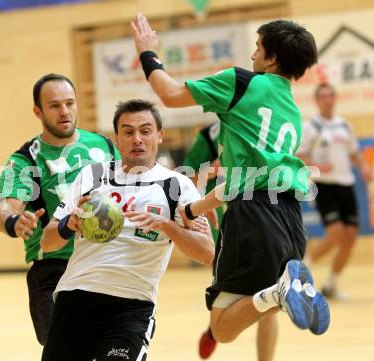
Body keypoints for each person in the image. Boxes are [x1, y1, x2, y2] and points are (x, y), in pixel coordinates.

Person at [131, 14, 331, 349]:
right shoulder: (292, 110)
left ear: (272, 59)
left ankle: (279, 293)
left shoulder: (243, 83)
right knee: (254, 310)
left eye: (258, 49)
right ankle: (279, 292)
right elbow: (248, 179)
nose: (252, 56)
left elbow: (170, 93)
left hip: (254, 218)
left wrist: (148, 53)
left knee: (222, 327)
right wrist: (196, 208)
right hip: (291, 223)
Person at [40, 99, 215, 361]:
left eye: (145, 131)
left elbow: (207, 253)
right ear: (117, 139)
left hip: (131, 305)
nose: (137, 139)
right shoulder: (92, 176)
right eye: (128, 132)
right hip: (76, 296)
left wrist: (167, 226)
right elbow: (48, 242)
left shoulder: (177, 186)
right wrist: (70, 223)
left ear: (159, 135)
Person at [0, 73, 120, 345]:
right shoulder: (26, 159)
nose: (64, 111)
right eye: (54, 105)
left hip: (103, 260)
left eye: (70, 103)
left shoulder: (104, 146)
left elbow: (130, 190)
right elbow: (4, 211)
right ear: (37, 111)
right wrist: (15, 221)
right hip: (54, 268)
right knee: (63, 350)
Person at [185, 121, 278, 360]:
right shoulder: (209, 134)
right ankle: (217, 325)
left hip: (264, 218)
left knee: (269, 301)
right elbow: (188, 174)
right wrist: (210, 173)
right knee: (229, 303)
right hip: (228, 224)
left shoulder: (264, 127)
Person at [297, 83, 371, 301]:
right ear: (317, 100)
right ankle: (302, 268)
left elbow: (354, 153)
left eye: (331, 95)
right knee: (336, 232)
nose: (328, 99)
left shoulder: (344, 126)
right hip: (325, 185)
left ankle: (331, 284)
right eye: (323, 96)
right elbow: (299, 156)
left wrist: (364, 167)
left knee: (350, 237)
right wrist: (317, 166)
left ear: (335, 98)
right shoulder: (311, 126)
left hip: (346, 184)